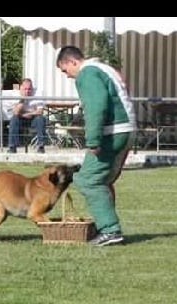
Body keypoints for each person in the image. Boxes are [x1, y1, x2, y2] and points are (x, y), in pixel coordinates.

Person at [56, 45, 136, 246]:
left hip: (113, 132)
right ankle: (109, 228)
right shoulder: (103, 68)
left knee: (87, 180)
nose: (67, 76)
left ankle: (110, 230)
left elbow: (96, 106)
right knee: (104, 180)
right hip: (126, 129)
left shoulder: (87, 73)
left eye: (65, 70)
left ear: (72, 62)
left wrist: (92, 140)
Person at [7, 78, 46, 154]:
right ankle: (12, 147)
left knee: (40, 119)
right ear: (21, 87)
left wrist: (27, 113)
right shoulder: (15, 94)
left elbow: (40, 111)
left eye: (29, 89)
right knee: (14, 119)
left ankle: (41, 146)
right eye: (25, 89)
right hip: (21, 119)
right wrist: (22, 99)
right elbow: (15, 112)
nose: (27, 91)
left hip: (33, 118)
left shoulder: (37, 93)